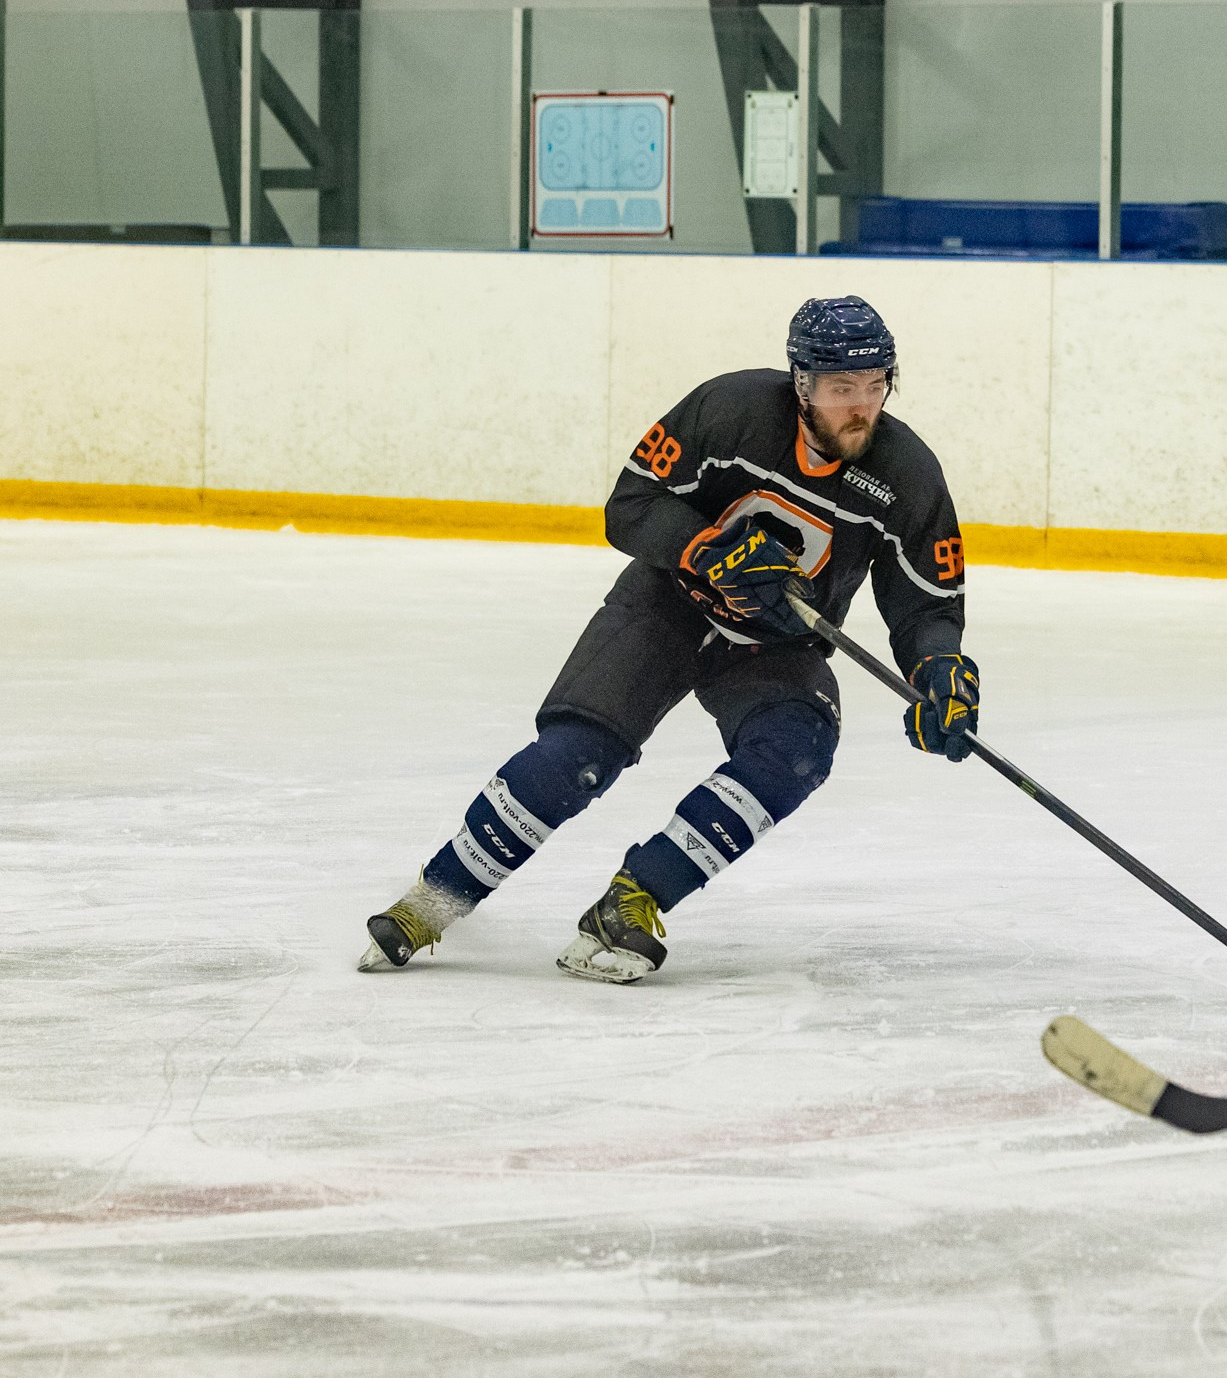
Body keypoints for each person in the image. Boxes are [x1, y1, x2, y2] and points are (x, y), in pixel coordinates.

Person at [355, 295, 980, 984]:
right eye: (841, 389)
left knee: (798, 746)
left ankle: (635, 898)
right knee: (577, 754)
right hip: (669, 600)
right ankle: (433, 898)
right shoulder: (730, 411)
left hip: (775, 642)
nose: (861, 406)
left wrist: (940, 670)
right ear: (802, 384)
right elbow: (630, 504)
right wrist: (707, 548)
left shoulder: (907, 475)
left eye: (875, 385)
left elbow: (927, 603)